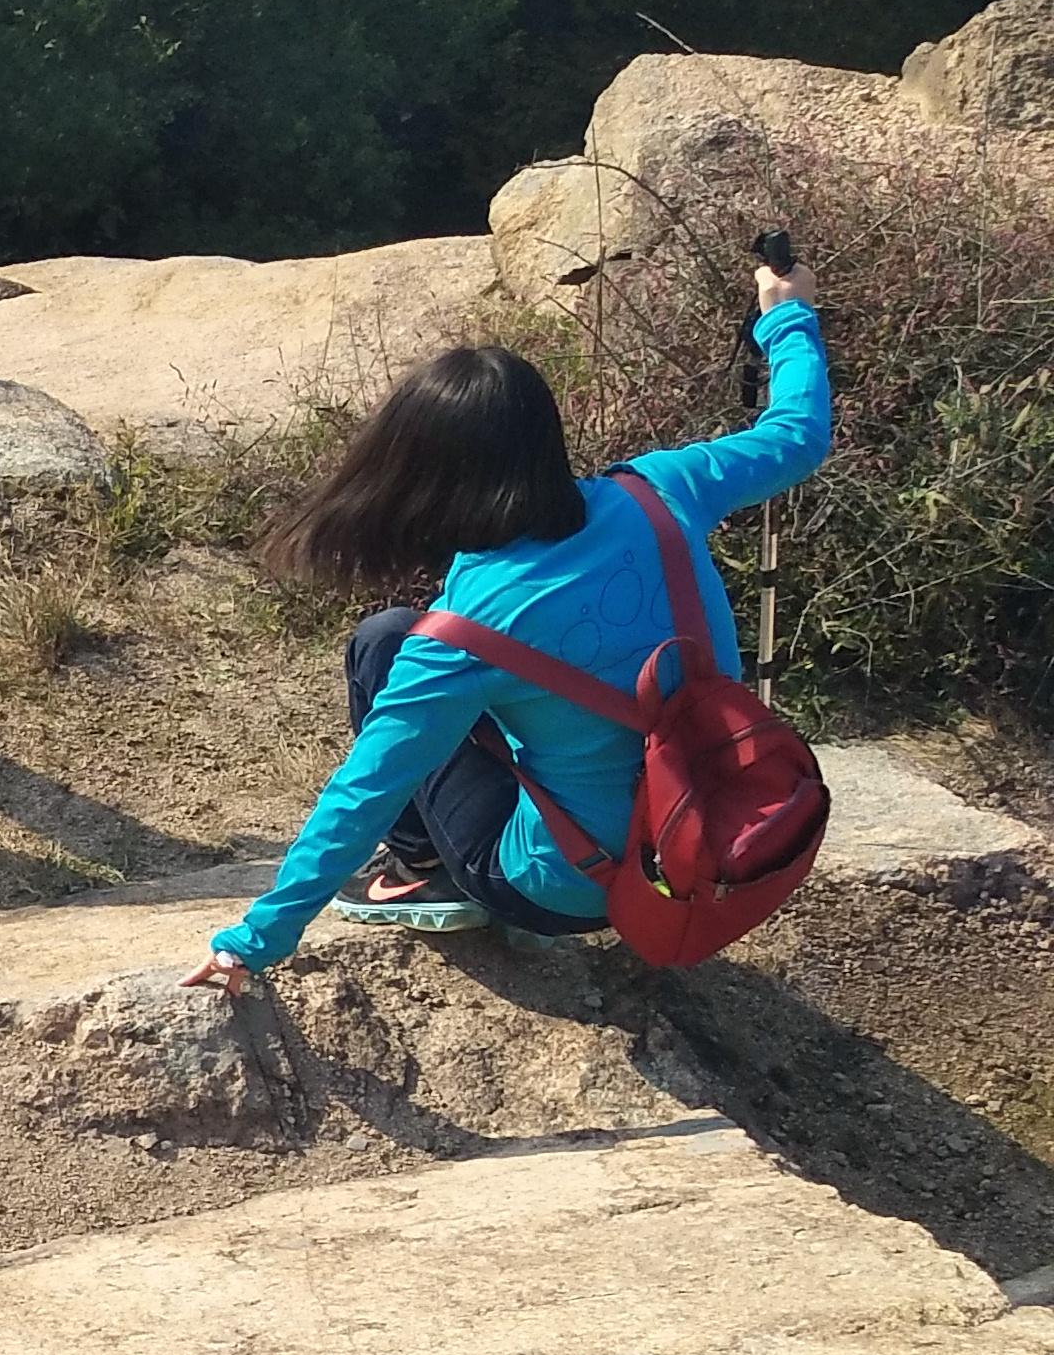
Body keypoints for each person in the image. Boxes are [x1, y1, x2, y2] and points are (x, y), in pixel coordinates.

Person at [185, 262, 832, 993]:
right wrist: (785, 316)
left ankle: (422, 873)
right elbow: (797, 434)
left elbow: (366, 790)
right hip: (698, 838)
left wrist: (254, 940)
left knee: (381, 643)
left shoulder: (467, 633)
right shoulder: (661, 488)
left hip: (570, 892)